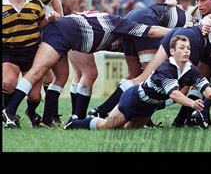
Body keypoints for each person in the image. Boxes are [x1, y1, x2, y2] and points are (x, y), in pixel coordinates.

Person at [2, 11, 171, 129]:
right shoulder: (119, 23)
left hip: (66, 35)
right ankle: (9, 112)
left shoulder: (119, 36)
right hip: (61, 32)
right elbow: (151, 31)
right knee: (36, 72)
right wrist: (175, 32)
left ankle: (47, 121)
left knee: (61, 78)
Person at [64, 35, 211, 130]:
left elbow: (205, 88)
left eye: (188, 48)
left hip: (149, 106)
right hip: (134, 99)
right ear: (172, 51)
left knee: (126, 131)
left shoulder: (191, 70)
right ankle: (75, 124)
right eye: (182, 48)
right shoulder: (165, 68)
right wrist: (192, 104)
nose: (187, 51)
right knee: (108, 126)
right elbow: (174, 94)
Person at [2, 0, 60, 129]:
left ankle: (31, 112)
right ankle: (10, 115)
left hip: (32, 52)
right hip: (9, 52)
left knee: (35, 96)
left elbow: (40, 24)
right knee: (8, 83)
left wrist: (50, 18)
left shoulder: (35, 3)